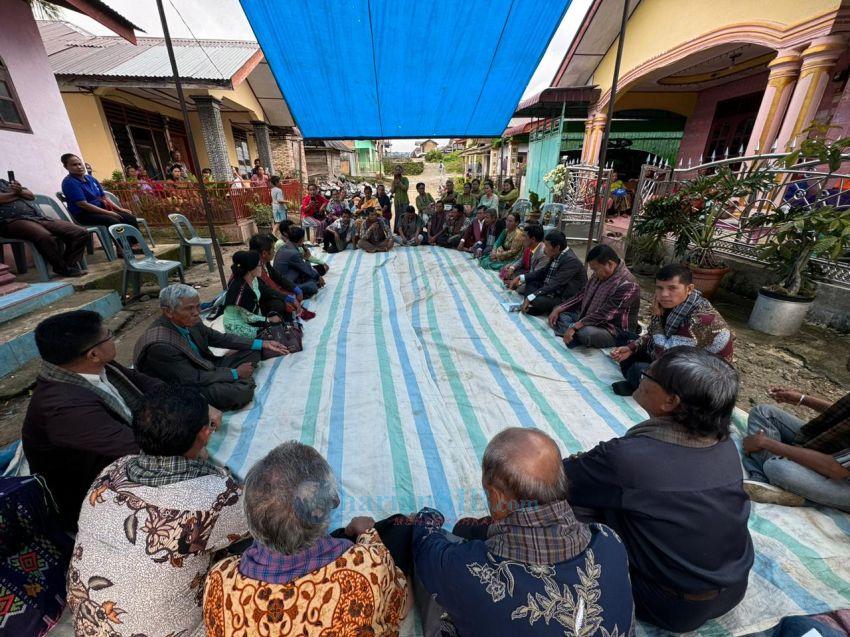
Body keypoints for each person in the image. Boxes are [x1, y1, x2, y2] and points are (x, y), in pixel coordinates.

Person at [563, 347, 754, 632]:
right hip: (734, 590)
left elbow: (560, 478)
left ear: (670, 401)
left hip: (669, 606)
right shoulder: (724, 444)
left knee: (565, 505)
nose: (641, 376)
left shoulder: (628, 458)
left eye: (649, 374)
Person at [412, 428, 635, 637]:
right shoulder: (609, 540)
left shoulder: (467, 568)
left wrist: (428, 516)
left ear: (496, 496)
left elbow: (425, 544)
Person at [69, 385, 248, 637]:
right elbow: (258, 521)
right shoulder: (217, 497)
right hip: (168, 631)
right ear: (205, 433)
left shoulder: (111, 472)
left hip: (90, 624)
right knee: (256, 558)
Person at [203, 442, 409, 635]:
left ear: (251, 517)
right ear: (326, 508)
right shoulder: (368, 567)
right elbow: (398, 607)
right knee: (404, 532)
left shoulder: (218, 581)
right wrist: (368, 535)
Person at [22, 310, 163, 530]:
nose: (112, 337)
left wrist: (195, 404)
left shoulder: (101, 367)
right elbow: (135, 445)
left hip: (123, 457)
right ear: (93, 354)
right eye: (108, 335)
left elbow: (147, 384)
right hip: (93, 497)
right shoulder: (64, 406)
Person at [134, 284, 286, 411]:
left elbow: (219, 338)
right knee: (239, 394)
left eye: (198, 306)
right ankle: (241, 381)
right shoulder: (161, 346)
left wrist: (262, 343)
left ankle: (238, 378)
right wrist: (234, 374)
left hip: (206, 366)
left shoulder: (192, 322)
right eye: (189, 309)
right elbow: (192, 378)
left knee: (253, 351)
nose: (197, 313)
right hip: (185, 385)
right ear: (168, 311)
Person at [742, 354, 850, 511]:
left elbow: (835, 468)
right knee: (764, 413)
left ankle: (774, 481)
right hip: (835, 456)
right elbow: (841, 415)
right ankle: (766, 481)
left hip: (843, 480)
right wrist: (802, 399)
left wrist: (767, 443)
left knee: (778, 468)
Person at [609, 263, 733, 396]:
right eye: (659, 288)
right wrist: (632, 347)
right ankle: (643, 383)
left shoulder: (702, 318)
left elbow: (665, 354)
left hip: (703, 377)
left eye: (672, 288)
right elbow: (652, 335)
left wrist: (656, 318)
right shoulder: (675, 303)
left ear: (689, 289)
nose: (664, 294)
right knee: (624, 338)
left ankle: (642, 383)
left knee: (638, 370)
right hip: (675, 355)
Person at [548, 244, 641, 349]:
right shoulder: (598, 275)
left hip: (612, 329)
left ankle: (572, 333)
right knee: (559, 312)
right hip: (587, 318)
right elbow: (582, 295)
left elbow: (605, 314)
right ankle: (572, 334)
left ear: (610, 264)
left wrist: (576, 326)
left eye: (595, 270)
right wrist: (559, 308)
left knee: (585, 333)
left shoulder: (628, 284)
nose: (594, 273)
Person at [0, 176, 88, 277]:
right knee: (44, 236)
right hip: (10, 221)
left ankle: (69, 264)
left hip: (36, 217)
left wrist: (18, 192)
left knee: (80, 232)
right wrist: (18, 194)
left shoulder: (5, 182)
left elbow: (30, 196)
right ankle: (62, 268)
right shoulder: (13, 190)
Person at [60, 154, 140, 237]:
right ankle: (122, 247)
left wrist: (120, 209)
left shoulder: (91, 179)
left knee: (130, 218)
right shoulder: (69, 183)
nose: (79, 167)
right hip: (84, 214)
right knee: (113, 221)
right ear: (66, 167)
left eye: (80, 164)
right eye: (74, 165)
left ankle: (135, 245)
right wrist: (109, 213)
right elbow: (83, 205)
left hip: (101, 210)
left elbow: (104, 196)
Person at [222, 250, 286, 344]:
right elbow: (248, 318)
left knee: (276, 327)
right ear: (250, 268)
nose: (261, 267)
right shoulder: (240, 288)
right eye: (259, 265)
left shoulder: (254, 279)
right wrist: (268, 320)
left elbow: (260, 298)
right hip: (236, 325)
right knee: (270, 337)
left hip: (250, 318)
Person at [517, 229, 586, 316]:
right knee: (530, 283)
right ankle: (537, 306)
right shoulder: (557, 254)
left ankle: (539, 307)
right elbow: (543, 272)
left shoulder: (571, 261)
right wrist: (522, 277)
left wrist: (531, 296)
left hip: (563, 297)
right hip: (552, 289)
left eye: (546, 246)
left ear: (557, 247)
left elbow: (555, 284)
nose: (544, 249)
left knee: (536, 299)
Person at [247, 234, 311, 320]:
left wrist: (294, 288)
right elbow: (265, 290)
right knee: (280, 305)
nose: (274, 251)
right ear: (264, 253)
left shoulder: (264, 262)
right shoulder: (253, 267)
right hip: (258, 299)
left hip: (268, 291)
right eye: (273, 249)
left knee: (296, 291)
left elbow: (278, 276)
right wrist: (286, 297)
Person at [273, 225, 324, 297]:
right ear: (301, 239)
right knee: (313, 286)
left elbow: (302, 266)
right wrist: (307, 259)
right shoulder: (293, 253)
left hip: (289, 276)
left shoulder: (287, 246)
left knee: (317, 271)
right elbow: (305, 268)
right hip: (287, 283)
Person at [391, 165, 409, 231]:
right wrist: (394, 183)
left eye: (399, 170)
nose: (397, 171)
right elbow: (392, 191)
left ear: (401, 171)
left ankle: (405, 231)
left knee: (405, 216)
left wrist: (399, 182)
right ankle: (397, 231)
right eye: (396, 170)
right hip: (397, 202)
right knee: (398, 217)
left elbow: (405, 188)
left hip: (404, 201)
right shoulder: (393, 181)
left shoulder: (405, 179)